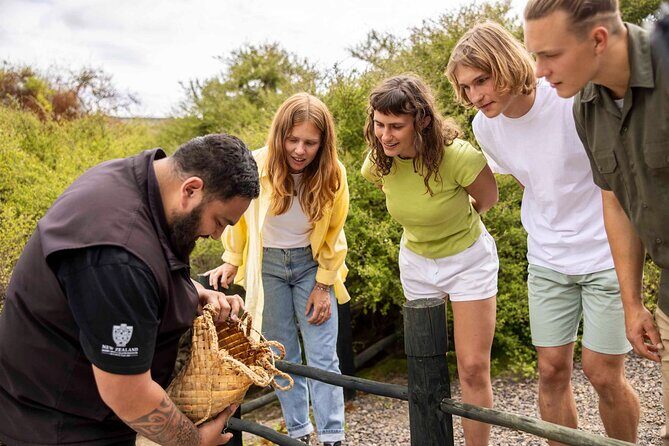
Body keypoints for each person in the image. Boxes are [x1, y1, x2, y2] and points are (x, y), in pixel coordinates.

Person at [446, 20, 639, 443]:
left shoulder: (569, 98)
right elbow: (527, 179)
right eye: (465, 87)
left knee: (603, 373)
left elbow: (619, 174)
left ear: (505, 64)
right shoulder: (485, 127)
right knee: (551, 371)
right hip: (548, 258)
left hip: (605, 253)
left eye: (482, 80)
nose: (475, 96)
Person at [0, 134, 259, 446]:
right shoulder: (118, 257)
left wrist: (190, 290)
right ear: (191, 189)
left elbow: (145, 260)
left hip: (66, 407)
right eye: (219, 221)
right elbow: (127, 394)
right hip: (61, 427)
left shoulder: (135, 177)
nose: (216, 235)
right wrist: (196, 441)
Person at [524, 1, 669, 444]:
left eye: (550, 55)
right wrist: (633, 303)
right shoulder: (584, 107)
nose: (539, 71)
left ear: (598, 40)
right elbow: (616, 202)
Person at [361, 74, 498, 446]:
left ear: (421, 120)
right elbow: (404, 199)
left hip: (468, 260)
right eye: (379, 124)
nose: (385, 135)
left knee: (472, 367)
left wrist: (452, 223)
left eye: (395, 126)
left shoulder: (459, 156)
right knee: (424, 367)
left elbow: (487, 198)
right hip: (417, 265)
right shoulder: (378, 163)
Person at [205, 93, 349, 446]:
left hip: (311, 267)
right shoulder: (257, 164)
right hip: (266, 266)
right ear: (280, 135)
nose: (300, 150)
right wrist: (232, 258)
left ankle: (333, 436)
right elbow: (239, 217)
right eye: (292, 140)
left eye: (310, 143)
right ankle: (299, 433)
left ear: (323, 143)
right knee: (280, 354)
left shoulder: (333, 173)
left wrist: (323, 284)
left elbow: (335, 232)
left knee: (323, 356)